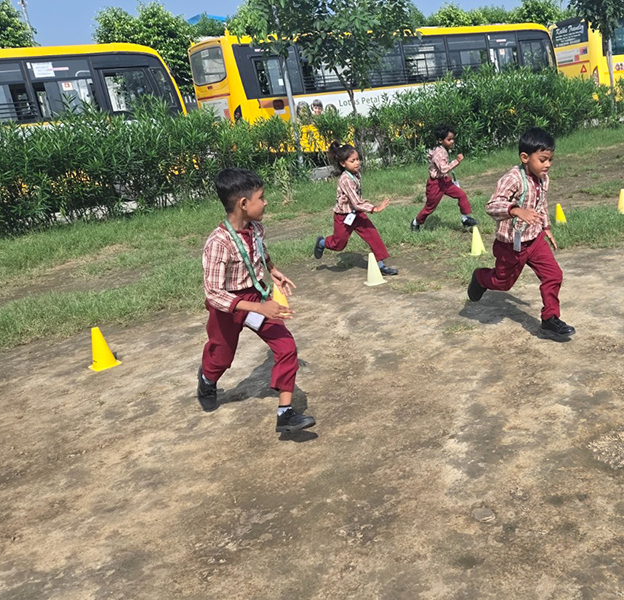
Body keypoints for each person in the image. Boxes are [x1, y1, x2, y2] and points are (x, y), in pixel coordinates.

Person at [197, 168, 316, 433]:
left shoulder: (257, 229)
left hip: (254, 294)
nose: (266, 202)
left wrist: (273, 271)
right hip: (226, 306)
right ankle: (207, 378)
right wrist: (259, 307)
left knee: (286, 347)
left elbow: (261, 252)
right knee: (221, 357)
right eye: (261, 197)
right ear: (243, 204)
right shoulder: (218, 243)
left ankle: (285, 413)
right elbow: (214, 293)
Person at [467, 128, 575, 338]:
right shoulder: (512, 179)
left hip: (535, 240)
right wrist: (515, 210)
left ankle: (550, 319)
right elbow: (492, 205)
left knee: (554, 275)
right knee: (503, 283)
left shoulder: (543, 179)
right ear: (525, 157)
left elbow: (541, 204)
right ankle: (480, 277)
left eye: (550, 160)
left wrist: (546, 228)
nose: (548, 165)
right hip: (510, 245)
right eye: (543, 159)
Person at [313, 143, 398, 276]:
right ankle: (322, 243)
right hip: (343, 216)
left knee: (373, 235)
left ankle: (381, 265)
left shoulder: (356, 174)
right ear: (342, 163)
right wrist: (374, 208)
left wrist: (361, 201)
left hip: (356, 214)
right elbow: (356, 203)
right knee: (338, 244)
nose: (357, 163)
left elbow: (355, 197)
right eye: (352, 161)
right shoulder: (345, 179)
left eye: (357, 159)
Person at [411, 124, 477, 232]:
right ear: (440, 140)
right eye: (449, 139)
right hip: (435, 184)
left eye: (452, 139)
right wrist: (457, 161)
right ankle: (415, 222)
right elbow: (443, 169)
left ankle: (465, 218)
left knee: (461, 195)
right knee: (429, 208)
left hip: (444, 181)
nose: (452, 141)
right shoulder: (438, 153)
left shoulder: (444, 150)